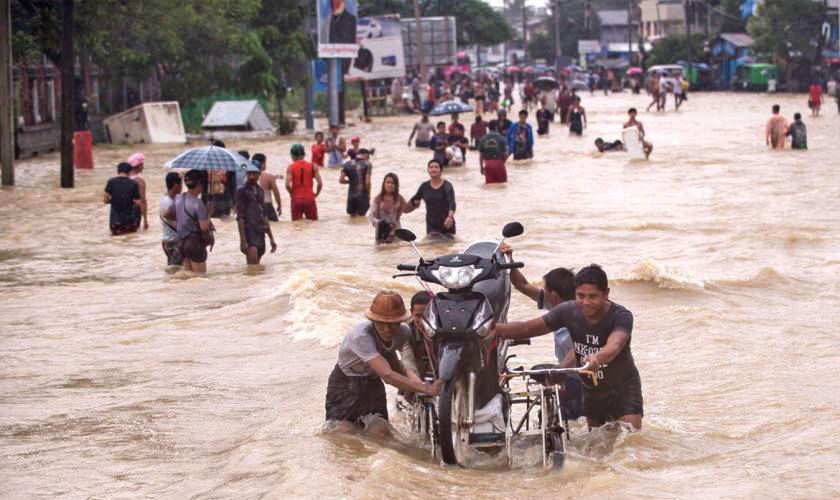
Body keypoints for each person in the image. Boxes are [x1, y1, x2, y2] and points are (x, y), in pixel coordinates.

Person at [495, 264, 643, 430]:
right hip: (591, 390)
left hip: (623, 389)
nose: (586, 302)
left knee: (629, 439)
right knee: (598, 446)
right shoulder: (567, 311)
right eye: (581, 296)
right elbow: (527, 328)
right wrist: (490, 329)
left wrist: (597, 358)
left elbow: (615, 346)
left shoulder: (621, 316)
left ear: (606, 293)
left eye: (593, 297)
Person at [325, 291, 442, 425]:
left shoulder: (403, 332)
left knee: (381, 428)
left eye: (393, 323)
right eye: (381, 323)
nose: (387, 329)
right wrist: (425, 388)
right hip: (346, 382)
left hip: (373, 381)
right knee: (342, 430)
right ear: (373, 320)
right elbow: (387, 375)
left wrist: (415, 388)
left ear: (401, 321)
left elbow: (397, 366)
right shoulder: (361, 336)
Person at [499, 244, 583, 420]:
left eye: (545, 288)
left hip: (578, 375)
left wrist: (559, 372)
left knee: (566, 416)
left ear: (553, 294)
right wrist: (510, 260)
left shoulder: (578, 314)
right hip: (569, 372)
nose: (542, 291)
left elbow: (576, 352)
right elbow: (522, 284)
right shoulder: (554, 303)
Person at [171, 169, 213, 273]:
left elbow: (166, 214)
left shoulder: (178, 198)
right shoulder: (198, 203)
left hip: (181, 242)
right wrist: (208, 213)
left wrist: (181, 222)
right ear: (199, 183)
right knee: (200, 278)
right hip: (195, 243)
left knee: (189, 277)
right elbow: (204, 227)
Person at [236, 162, 277, 265]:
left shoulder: (260, 191)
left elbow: (263, 215)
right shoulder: (241, 190)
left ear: (259, 174)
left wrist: (271, 238)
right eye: (249, 174)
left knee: (257, 271)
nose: (251, 176)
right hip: (249, 233)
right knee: (253, 269)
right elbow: (240, 217)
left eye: (254, 174)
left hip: (260, 232)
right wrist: (243, 240)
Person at [403, 159, 456, 238]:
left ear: (441, 170)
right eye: (431, 167)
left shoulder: (447, 186)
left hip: (447, 225)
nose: (433, 169)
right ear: (428, 170)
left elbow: (452, 203)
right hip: (431, 226)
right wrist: (404, 208)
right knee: (431, 249)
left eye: (436, 167)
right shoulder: (424, 187)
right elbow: (414, 200)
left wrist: (450, 217)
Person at [285, 144, 323, 221]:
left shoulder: (291, 167)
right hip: (309, 198)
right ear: (304, 154)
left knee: (297, 226)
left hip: (296, 200)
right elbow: (320, 184)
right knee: (313, 224)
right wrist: (316, 194)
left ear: (293, 155)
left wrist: (292, 194)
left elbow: (287, 185)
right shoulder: (313, 166)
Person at [103, 162, 142, 235]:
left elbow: (105, 200)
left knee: (115, 242)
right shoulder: (133, 183)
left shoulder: (111, 182)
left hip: (116, 221)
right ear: (129, 172)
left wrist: (114, 201)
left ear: (118, 171)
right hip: (130, 221)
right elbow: (138, 202)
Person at [368, 172, 408, 244]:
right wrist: (379, 222)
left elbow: (408, 210)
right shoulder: (378, 199)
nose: (389, 185)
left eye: (392, 183)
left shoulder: (400, 199)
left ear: (396, 185)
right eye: (387, 182)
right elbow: (371, 216)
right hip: (381, 235)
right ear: (384, 184)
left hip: (396, 235)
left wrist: (415, 203)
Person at [405, 291, 435, 380]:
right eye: (418, 316)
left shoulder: (446, 329)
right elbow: (407, 361)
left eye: (427, 315)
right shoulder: (405, 330)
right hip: (417, 369)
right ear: (411, 312)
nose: (422, 321)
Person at [340, 148, 372, 217]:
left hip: (351, 196)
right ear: (366, 155)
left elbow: (341, 180)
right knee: (361, 219)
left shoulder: (347, 164)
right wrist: (369, 194)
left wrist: (351, 181)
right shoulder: (367, 164)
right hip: (362, 196)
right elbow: (367, 182)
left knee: (352, 218)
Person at [160, 172, 183, 267]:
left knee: (173, 270)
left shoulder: (166, 198)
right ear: (175, 185)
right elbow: (177, 225)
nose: (182, 187)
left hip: (167, 240)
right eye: (181, 184)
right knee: (176, 270)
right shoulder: (169, 203)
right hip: (172, 241)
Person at [254, 153, 282, 221]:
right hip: (267, 205)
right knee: (274, 226)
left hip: (254, 206)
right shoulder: (269, 176)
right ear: (262, 163)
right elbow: (276, 193)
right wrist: (279, 205)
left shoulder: (248, 176)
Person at [127, 153, 148, 229]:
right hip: (134, 212)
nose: (143, 167)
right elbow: (143, 201)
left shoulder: (123, 179)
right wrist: (145, 219)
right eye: (142, 165)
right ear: (139, 166)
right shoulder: (140, 181)